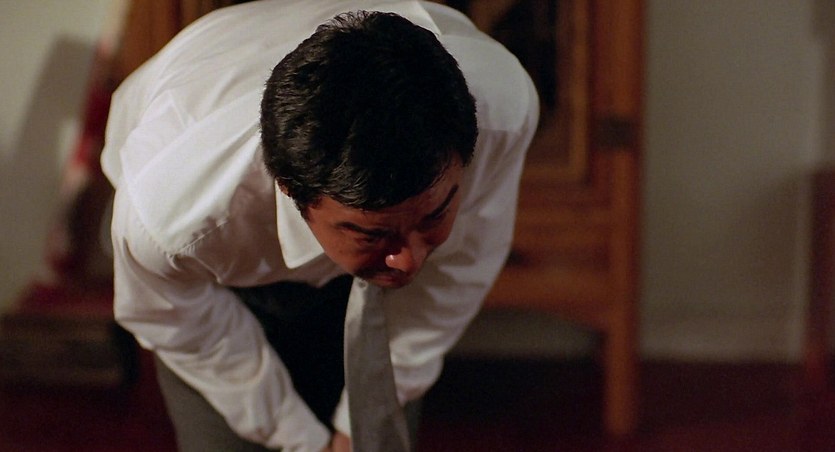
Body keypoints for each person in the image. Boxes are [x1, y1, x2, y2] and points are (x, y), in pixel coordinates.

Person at [101, 1, 538, 451]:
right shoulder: (173, 215)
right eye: (372, 234)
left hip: (352, 279)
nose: (408, 261)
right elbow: (184, 325)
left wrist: (355, 425)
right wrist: (299, 438)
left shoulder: (500, 112)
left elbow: (459, 271)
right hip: (210, 283)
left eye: (435, 215)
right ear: (289, 188)